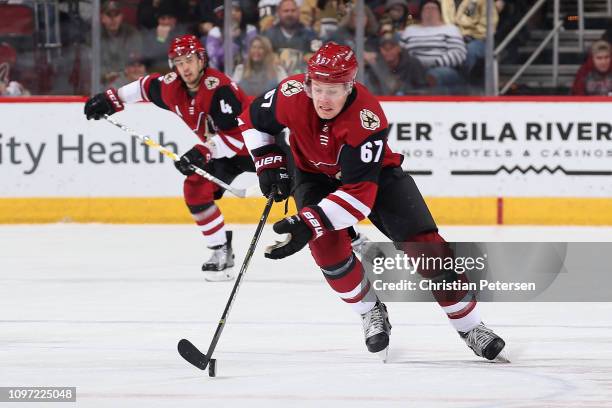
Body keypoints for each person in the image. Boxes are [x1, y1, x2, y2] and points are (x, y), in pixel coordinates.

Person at [238, 42, 507, 360]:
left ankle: (471, 326)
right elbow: (251, 119)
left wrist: (307, 223)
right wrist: (267, 159)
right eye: (319, 88)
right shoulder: (290, 93)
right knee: (327, 251)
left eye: (334, 91)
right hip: (312, 175)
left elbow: (357, 199)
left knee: (427, 247)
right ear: (308, 84)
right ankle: (370, 311)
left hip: (377, 177)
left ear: (349, 86)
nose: (324, 99)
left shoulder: (366, 119)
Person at [84, 35, 253, 282]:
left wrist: (203, 151)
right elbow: (144, 86)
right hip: (222, 151)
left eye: (189, 60)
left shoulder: (220, 90)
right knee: (195, 188)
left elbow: (239, 138)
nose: (184, 67)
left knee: (300, 190)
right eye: (178, 61)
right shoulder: (172, 87)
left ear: (202, 60)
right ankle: (220, 251)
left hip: (259, 149)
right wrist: (111, 99)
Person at [400, 0, 467, 93]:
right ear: (421, 12)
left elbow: (458, 53)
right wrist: (416, 65)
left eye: (433, 8)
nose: (430, 11)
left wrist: (436, 63)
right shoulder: (410, 30)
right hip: (414, 68)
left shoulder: (450, 29)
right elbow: (402, 51)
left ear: (440, 13)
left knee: (433, 76)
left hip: (442, 68)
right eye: (426, 8)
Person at [100, 0, 142, 88]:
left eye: (116, 15)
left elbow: (135, 60)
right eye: (109, 15)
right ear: (102, 17)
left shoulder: (132, 33)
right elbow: (91, 64)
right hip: (102, 81)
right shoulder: (94, 35)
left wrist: (120, 74)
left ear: (122, 16)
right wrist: (104, 75)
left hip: (127, 79)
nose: (113, 19)